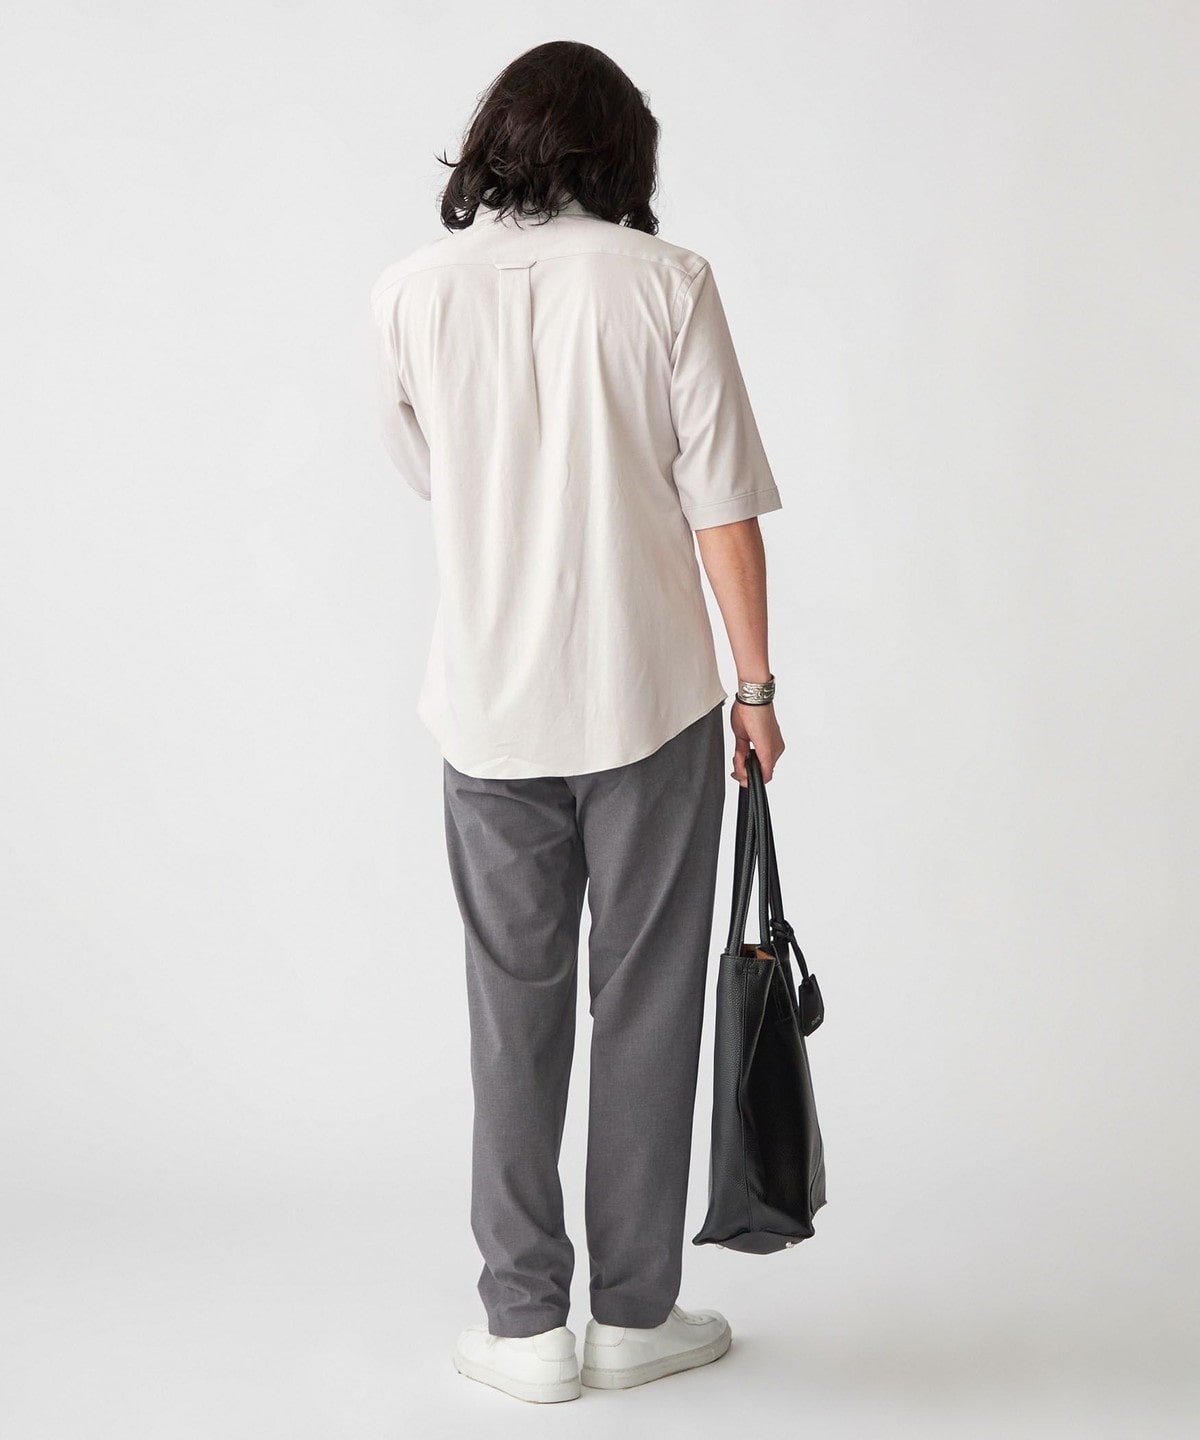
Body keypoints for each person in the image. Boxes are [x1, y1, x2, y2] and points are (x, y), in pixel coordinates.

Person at [369, 40, 785, 1403]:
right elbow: (724, 506)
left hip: (488, 708)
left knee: (511, 1012)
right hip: (650, 696)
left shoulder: (409, 292)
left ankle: (523, 1327)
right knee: (646, 1006)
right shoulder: (668, 283)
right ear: (622, 150)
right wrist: (757, 689)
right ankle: (633, 1318)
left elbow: (434, 473)